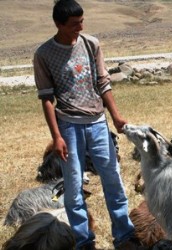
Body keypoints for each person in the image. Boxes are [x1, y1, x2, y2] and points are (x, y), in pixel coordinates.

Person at [33, 0, 137, 249]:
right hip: (69, 126)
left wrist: (116, 116)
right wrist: (57, 136)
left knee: (113, 179)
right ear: (58, 24)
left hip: (98, 123)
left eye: (82, 21)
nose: (80, 27)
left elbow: (103, 82)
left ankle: (124, 236)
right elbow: (47, 98)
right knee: (74, 184)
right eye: (74, 24)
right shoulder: (44, 54)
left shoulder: (91, 44)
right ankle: (83, 240)